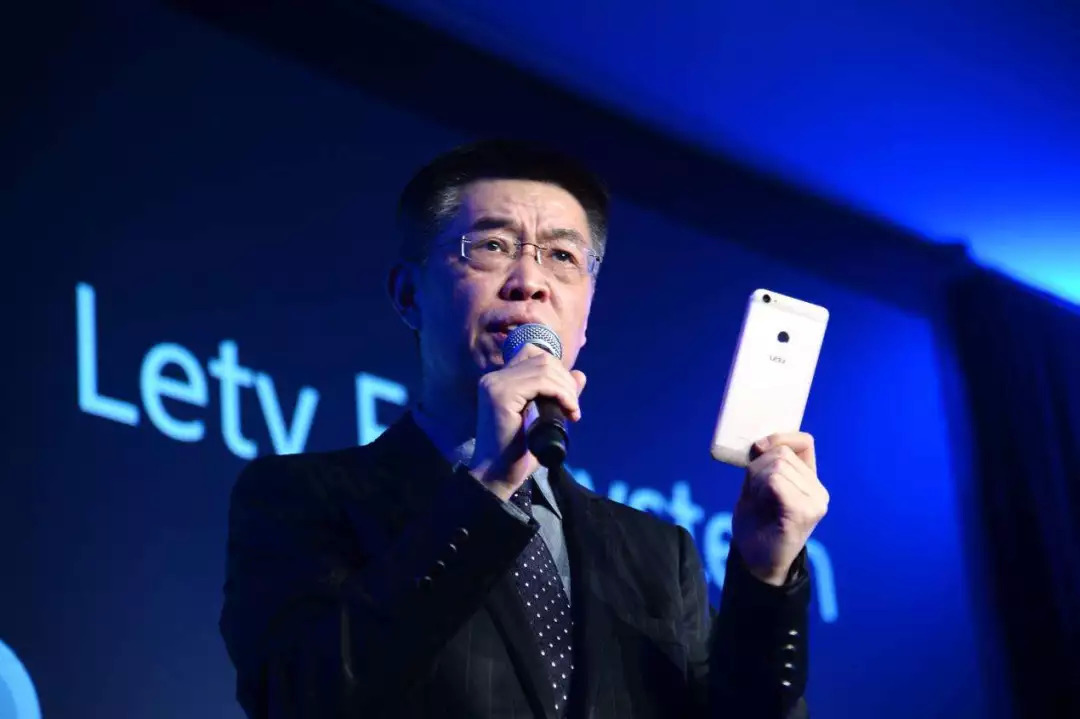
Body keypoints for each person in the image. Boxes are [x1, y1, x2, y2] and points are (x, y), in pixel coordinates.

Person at [219, 140, 829, 718]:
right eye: (492, 246)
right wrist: (486, 487)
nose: (530, 282)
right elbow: (299, 698)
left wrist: (766, 577)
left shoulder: (657, 556)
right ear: (409, 295)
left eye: (562, 257)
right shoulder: (303, 497)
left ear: (586, 316)